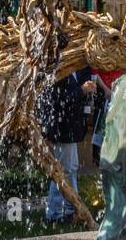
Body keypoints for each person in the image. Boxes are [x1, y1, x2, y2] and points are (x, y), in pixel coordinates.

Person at [36, 69, 90, 222]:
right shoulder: (60, 73)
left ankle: (70, 209)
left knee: (70, 168)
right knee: (62, 171)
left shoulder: (76, 72)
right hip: (61, 129)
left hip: (71, 129)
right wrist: (81, 90)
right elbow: (58, 100)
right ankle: (54, 212)